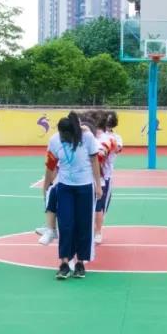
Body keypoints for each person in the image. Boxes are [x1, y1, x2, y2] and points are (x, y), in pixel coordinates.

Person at [42, 112, 103, 279]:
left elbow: (94, 161)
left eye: (65, 135)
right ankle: (64, 263)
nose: (63, 138)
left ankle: (80, 263)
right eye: (61, 135)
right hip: (65, 187)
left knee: (83, 225)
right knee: (66, 224)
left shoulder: (87, 137)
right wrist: (46, 184)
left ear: (73, 132)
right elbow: (51, 165)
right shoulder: (55, 140)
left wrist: (98, 186)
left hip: (85, 187)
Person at [94, 110, 122, 245]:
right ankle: (92, 230)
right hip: (90, 176)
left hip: (105, 176)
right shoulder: (94, 136)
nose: (108, 123)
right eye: (106, 120)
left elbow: (116, 149)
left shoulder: (115, 138)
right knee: (92, 206)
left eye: (110, 121)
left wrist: (108, 141)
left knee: (100, 207)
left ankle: (98, 231)